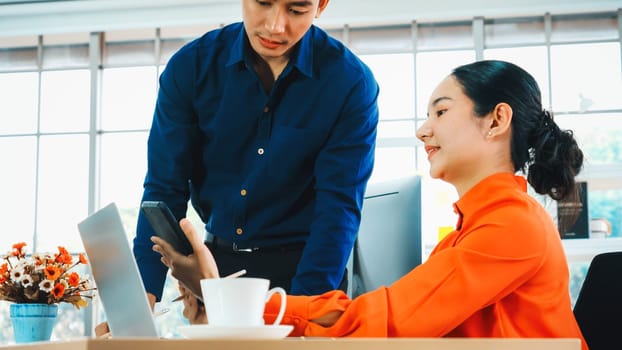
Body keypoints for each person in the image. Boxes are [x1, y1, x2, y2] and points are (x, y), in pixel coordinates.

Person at [169, 60, 588, 349]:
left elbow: (390, 321)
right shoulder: (468, 233)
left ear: (496, 120)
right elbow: (380, 316)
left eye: (441, 112)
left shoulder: (512, 226)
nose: (423, 131)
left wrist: (234, 302)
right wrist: (232, 311)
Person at [133, 0, 379, 310]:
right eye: (263, 2)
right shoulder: (190, 68)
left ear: (322, 5)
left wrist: (299, 312)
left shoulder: (350, 83)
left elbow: (338, 208)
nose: (276, 26)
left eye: (297, 9)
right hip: (215, 271)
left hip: (307, 271)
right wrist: (141, 300)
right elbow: (164, 188)